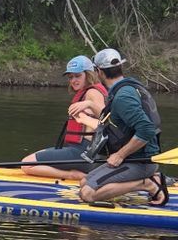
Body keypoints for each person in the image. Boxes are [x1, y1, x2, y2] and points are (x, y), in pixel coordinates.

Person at [78, 48, 166, 206]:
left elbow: (146, 129)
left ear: (99, 72)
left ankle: (147, 183)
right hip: (130, 159)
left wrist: (119, 155)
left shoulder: (123, 96)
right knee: (84, 182)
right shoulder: (126, 88)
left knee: (88, 194)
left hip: (140, 162)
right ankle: (143, 180)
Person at [20, 55, 107, 180]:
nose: (73, 80)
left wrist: (90, 104)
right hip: (76, 151)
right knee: (35, 156)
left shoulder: (92, 93)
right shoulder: (85, 92)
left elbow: (106, 120)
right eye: (71, 77)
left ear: (88, 75)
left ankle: (72, 175)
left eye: (78, 76)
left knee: (26, 165)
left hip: (82, 154)